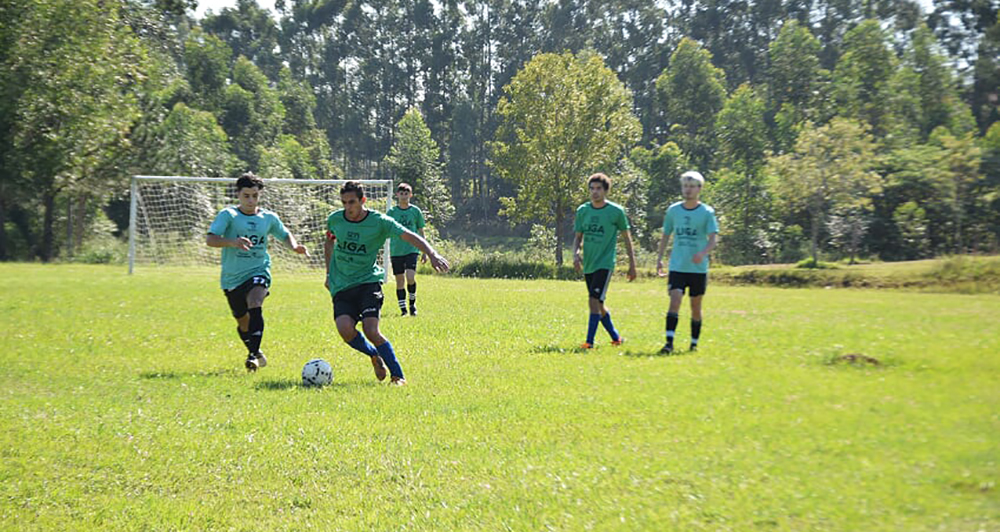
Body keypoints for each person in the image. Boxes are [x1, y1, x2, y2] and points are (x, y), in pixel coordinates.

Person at [324, 181, 449, 385]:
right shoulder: (335, 219)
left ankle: (398, 376)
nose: (348, 208)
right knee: (345, 330)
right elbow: (329, 242)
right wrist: (329, 274)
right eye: (344, 203)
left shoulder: (380, 222)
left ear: (363, 200)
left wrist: (432, 253)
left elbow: (410, 236)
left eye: (352, 202)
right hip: (342, 285)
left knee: (371, 330)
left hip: (368, 282)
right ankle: (374, 355)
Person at [206, 172, 309, 371]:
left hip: (259, 270)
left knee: (255, 302)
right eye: (246, 196)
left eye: (255, 196)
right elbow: (211, 239)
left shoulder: (268, 218)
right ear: (238, 194)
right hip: (232, 278)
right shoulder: (228, 215)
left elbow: (284, 234)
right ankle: (255, 350)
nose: (251, 201)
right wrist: (233, 242)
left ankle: (252, 356)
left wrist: (295, 246)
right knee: (243, 322)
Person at [572, 173, 637, 349]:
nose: (595, 192)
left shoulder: (616, 212)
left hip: (605, 264)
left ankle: (589, 342)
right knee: (599, 303)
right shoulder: (583, 211)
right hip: (589, 264)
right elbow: (578, 237)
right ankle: (616, 337)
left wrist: (632, 265)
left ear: (606, 190)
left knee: (593, 300)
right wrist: (575, 254)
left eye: (599, 188)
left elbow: (627, 238)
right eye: (592, 188)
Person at [656, 170, 719, 354]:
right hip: (678, 266)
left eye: (691, 186)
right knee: (675, 300)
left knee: (695, 306)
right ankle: (669, 343)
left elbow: (713, 239)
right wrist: (659, 259)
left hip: (698, 269)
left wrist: (703, 253)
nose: (688, 190)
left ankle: (693, 343)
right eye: (685, 186)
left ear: (699, 189)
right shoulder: (673, 210)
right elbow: (666, 235)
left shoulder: (707, 212)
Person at [385, 183, 427, 316]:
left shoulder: (415, 211)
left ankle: (412, 304)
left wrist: (425, 251)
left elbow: (421, 231)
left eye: (406, 193)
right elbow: (385, 229)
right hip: (396, 250)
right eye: (401, 193)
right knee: (399, 280)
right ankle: (403, 310)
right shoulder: (392, 212)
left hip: (412, 249)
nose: (404, 196)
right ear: (397, 195)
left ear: (410, 195)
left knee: (410, 277)